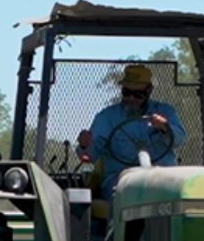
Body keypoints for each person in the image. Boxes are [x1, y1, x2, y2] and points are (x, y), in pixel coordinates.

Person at [77, 64, 186, 200]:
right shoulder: (107, 117)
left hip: (161, 178)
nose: (131, 99)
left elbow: (179, 139)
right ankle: (116, 221)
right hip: (121, 179)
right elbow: (91, 155)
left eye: (138, 94)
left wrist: (164, 127)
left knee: (175, 196)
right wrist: (84, 145)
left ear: (149, 90)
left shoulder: (164, 111)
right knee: (124, 196)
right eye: (127, 93)